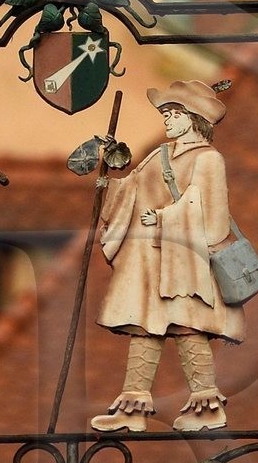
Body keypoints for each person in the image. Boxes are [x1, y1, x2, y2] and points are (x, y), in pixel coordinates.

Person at [89, 77, 242, 435]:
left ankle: (207, 409)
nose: (167, 120)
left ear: (193, 117)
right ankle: (132, 410)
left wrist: (163, 218)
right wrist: (109, 178)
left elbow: (214, 220)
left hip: (184, 263)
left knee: (189, 330)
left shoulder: (209, 160)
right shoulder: (159, 154)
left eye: (174, 113)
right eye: (166, 113)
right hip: (148, 265)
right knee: (146, 330)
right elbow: (132, 190)